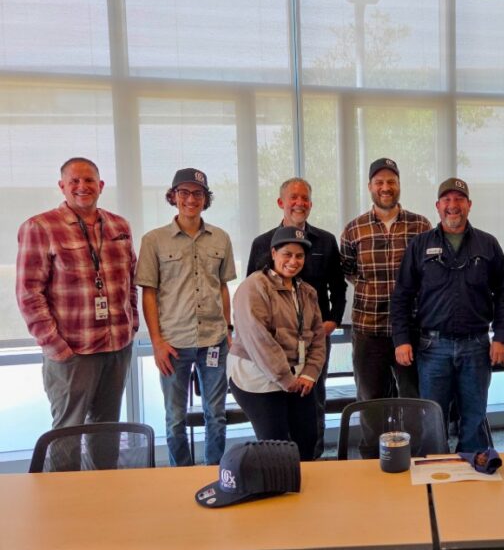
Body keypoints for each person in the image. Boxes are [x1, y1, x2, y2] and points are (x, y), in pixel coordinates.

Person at [16, 158, 138, 463]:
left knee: (107, 430)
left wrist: (131, 324)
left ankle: (103, 498)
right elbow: (28, 292)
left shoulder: (119, 225)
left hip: (116, 347)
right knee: (67, 433)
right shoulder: (40, 227)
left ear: (100, 185)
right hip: (72, 352)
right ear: (62, 186)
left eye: (89, 180)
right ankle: (63, 504)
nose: (82, 187)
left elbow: (131, 280)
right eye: (74, 181)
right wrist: (54, 344)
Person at [391, 177, 504, 452]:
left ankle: (470, 467)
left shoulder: (488, 244)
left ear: (469, 205)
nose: (453, 206)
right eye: (447, 200)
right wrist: (401, 339)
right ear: (437, 206)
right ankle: (436, 470)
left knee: (474, 415)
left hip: (477, 346)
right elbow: (402, 295)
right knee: (433, 416)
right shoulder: (420, 245)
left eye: (459, 199)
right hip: (432, 347)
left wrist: (501, 337)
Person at [136, 168, 236, 466]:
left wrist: (227, 328)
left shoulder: (221, 238)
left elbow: (222, 286)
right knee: (175, 418)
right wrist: (156, 342)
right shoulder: (154, 240)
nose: (190, 199)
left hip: (214, 341)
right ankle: (180, 474)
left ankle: (216, 472)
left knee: (216, 415)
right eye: (184, 193)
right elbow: (149, 293)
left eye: (197, 193)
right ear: (173, 196)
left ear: (206, 199)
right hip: (173, 344)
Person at [246, 177, 346, 459]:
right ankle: (280, 462)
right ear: (281, 203)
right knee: (276, 403)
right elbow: (252, 293)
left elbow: (338, 287)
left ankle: (312, 458)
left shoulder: (325, 241)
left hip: (315, 340)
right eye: (293, 197)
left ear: (311, 205)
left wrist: (334, 320)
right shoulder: (263, 243)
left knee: (313, 400)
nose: (299, 203)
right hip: (274, 345)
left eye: (305, 199)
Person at [228, 226, 326, 461]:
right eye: (287, 254)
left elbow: (318, 337)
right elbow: (259, 341)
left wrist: (310, 374)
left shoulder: (307, 292)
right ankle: (278, 491)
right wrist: (285, 378)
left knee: (308, 440)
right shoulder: (254, 287)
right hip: (259, 379)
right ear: (273, 253)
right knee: (276, 446)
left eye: (299, 256)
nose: (293, 261)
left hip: (297, 378)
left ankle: (304, 491)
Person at [340, 158, 431, 403]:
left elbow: (429, 272)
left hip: (412, 327)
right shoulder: (354, 229)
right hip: (369, 330)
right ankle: (372, 444)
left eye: (391, 181)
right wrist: (371, 289)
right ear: (370, 186)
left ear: (399, 185)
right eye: (379, 182)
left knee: (415, 397)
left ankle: (417, 443)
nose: (385, 187)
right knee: (371, 400)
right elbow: (348, 270)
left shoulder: (420, 226)